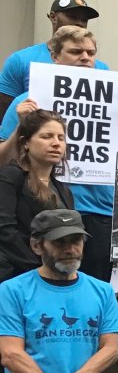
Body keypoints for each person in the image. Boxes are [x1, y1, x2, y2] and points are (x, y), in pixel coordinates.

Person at [0, 27, 115, 280]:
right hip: (40, 213)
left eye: (90, 53)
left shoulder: (115, 99)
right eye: (76, 51)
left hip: (99, 212)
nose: (85, 57)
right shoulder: (27, 100)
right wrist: (21, 124)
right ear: (55, 57)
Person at [0, 208, 118, 373]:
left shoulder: (103, 291)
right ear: (37, 246)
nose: (70, 249)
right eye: (59, 242)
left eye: (76, 240)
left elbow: (110, 350)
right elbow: (11, 354)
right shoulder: (11, 291)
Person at [0, 0, 104, 118]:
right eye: (72, 16)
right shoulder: (21, 60)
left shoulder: (101, 69)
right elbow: (4, 112)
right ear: (53, 17)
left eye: (84, 19)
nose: (79, 23)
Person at [0, 109, 72, 279]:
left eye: (61, 138)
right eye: (47, 137)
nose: (56, 143)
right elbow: (4, 229)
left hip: (53, 276)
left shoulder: (64, 190)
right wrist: (37, 268)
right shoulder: (12, 176)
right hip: (13, 275)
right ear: (26, 143)